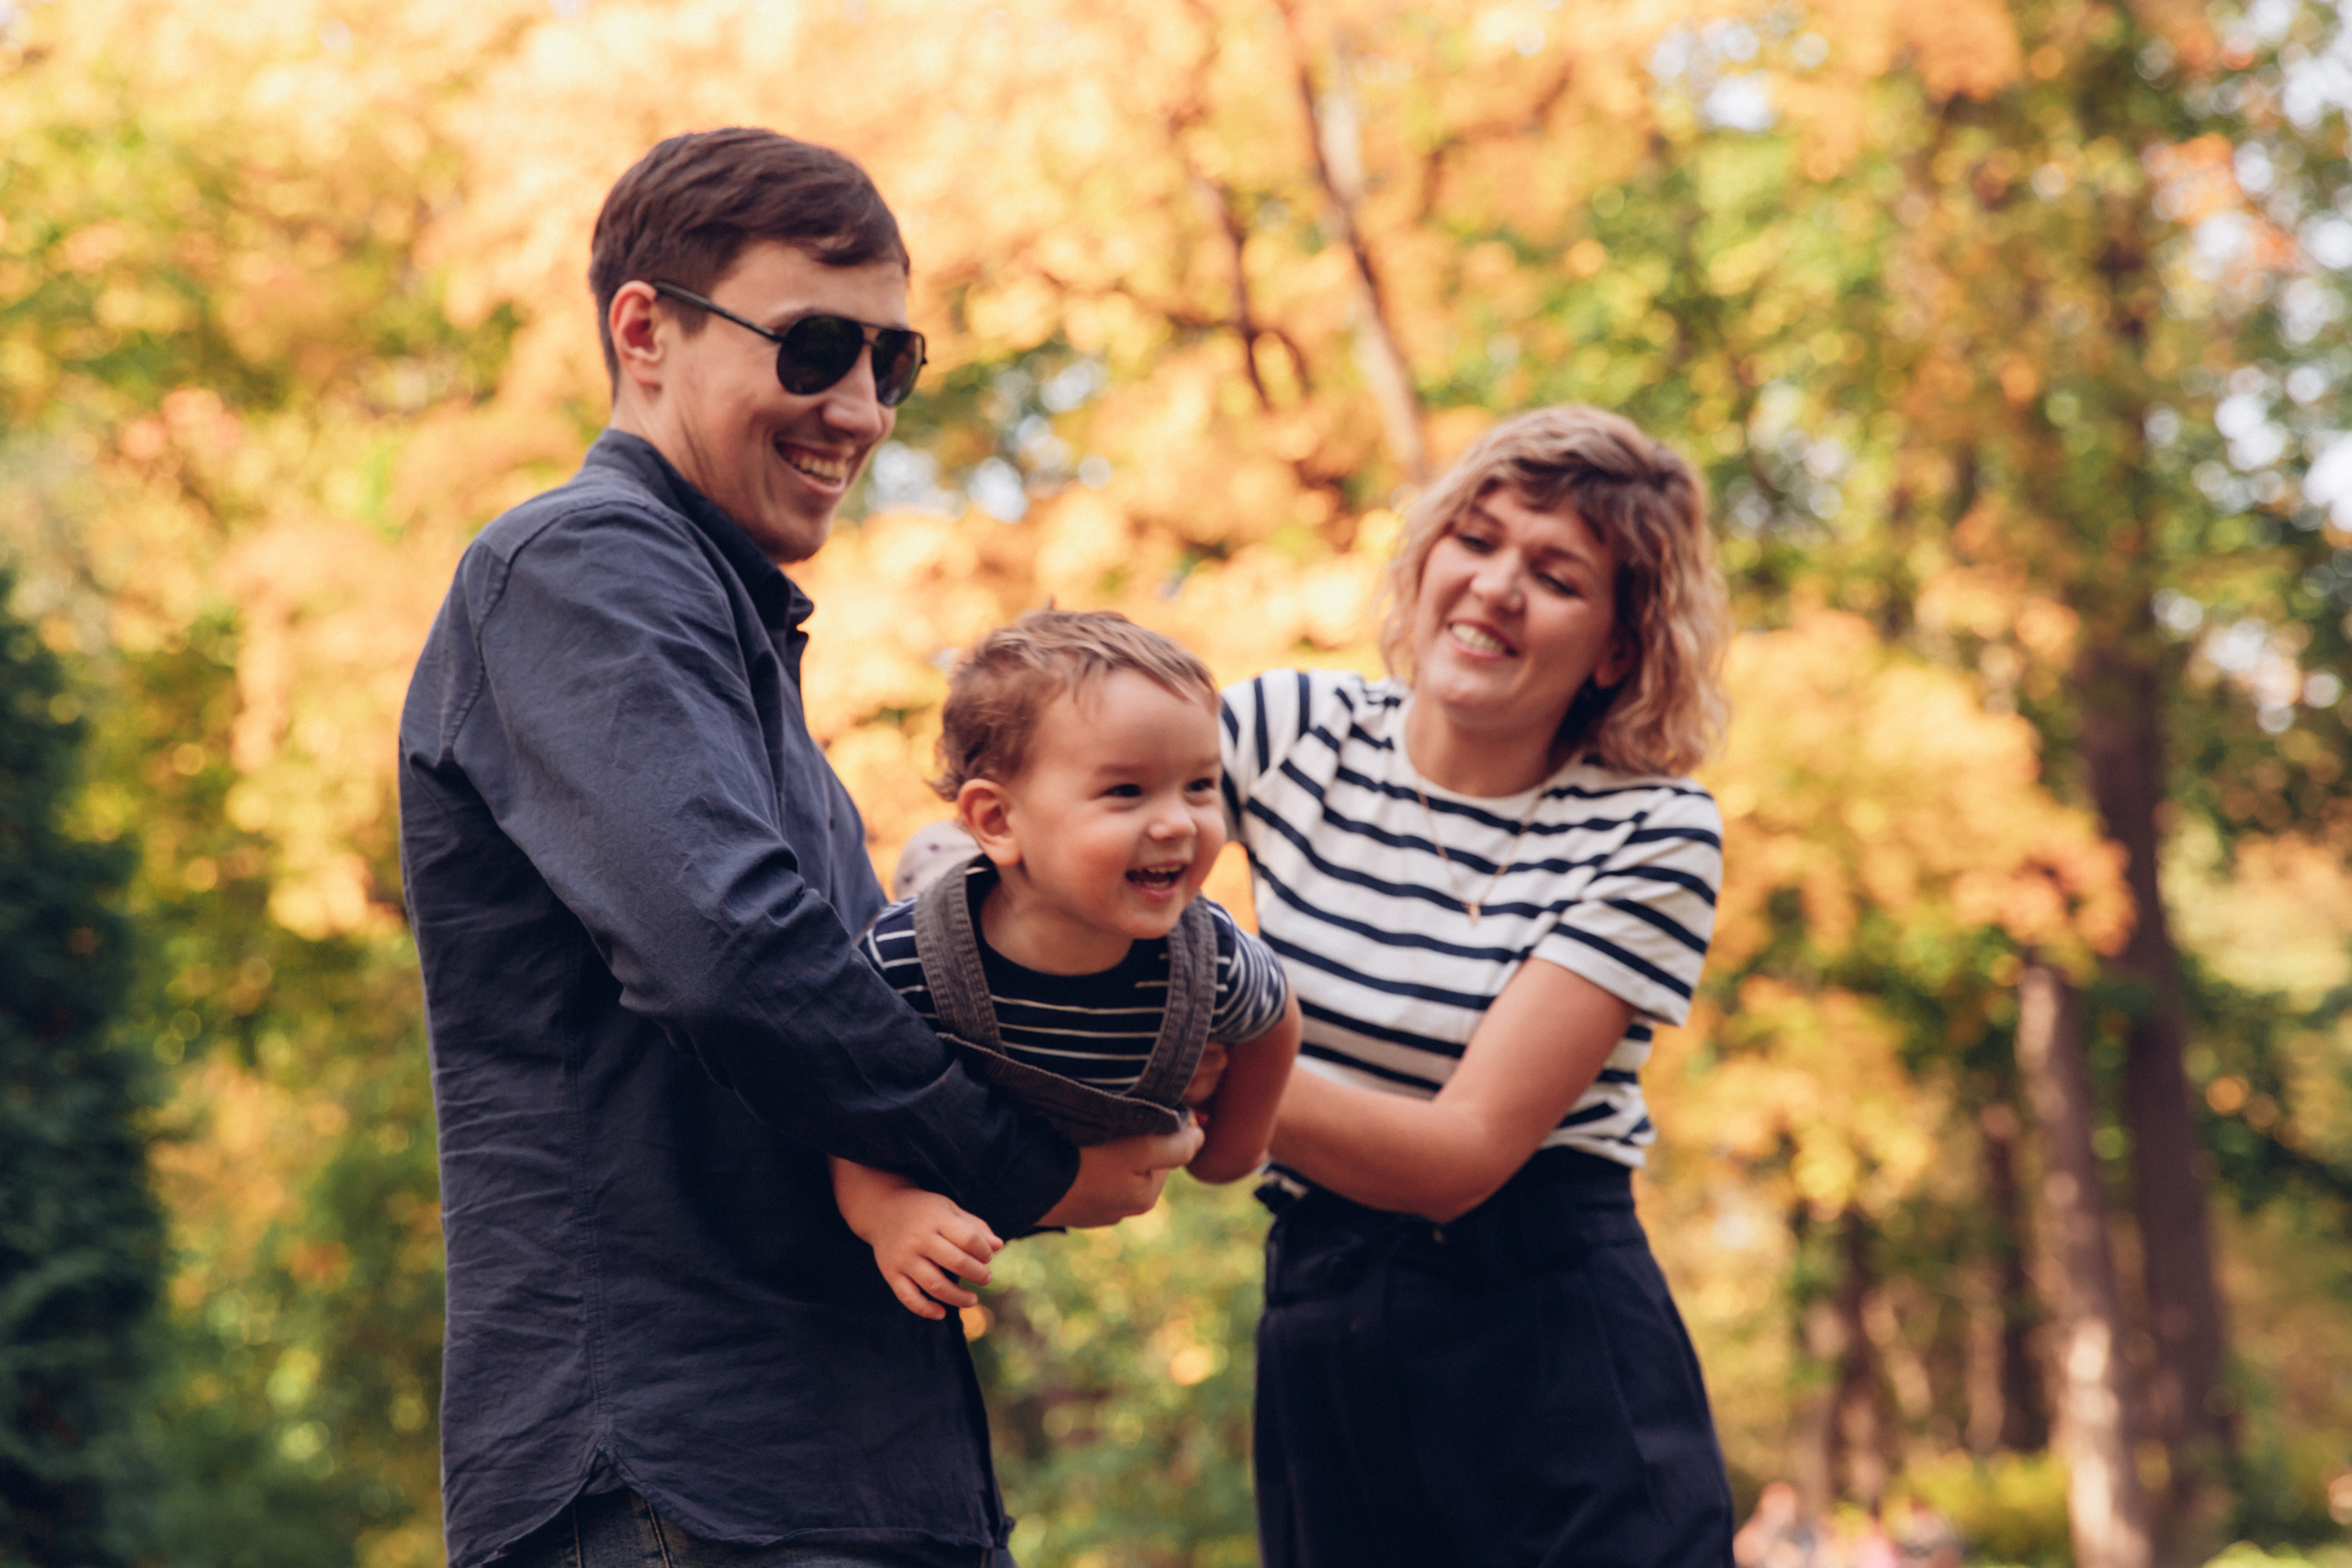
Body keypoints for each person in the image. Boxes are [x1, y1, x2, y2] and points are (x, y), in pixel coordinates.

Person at [397, 129, 1201, 1568]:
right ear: (644, 330)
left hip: (827, 1463)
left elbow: (842, 1001)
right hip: (677, 1470)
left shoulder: (731, 642)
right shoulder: (582, 568)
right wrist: (1021, 1166)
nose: (860, 410)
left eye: (892, 363)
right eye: (815, 345)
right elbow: (731, 951)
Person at [1222, 404, 1737, 1566]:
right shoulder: (1286, 732)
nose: (1495, 586)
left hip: (1551, 1331)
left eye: (1555, 575)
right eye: (1476, 539)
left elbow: (1459, 1158)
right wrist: (964, 877)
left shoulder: (1652, 832)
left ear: (1615, 648)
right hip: (1326, 1315)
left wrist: (1205, 1064)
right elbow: (1070, 839)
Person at [834, 610, 1304, 1319]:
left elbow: (1275, 1019)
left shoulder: (1213, 960)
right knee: (940, 892)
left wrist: (1237, 1141)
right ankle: (945, 861)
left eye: (1200, 786)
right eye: (1127, 790)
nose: (1178, 821)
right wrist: (889, 1211)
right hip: (976, 1012)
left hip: (1096, 1091)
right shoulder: (904, 963)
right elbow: (853, 1105)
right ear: (997, 817)